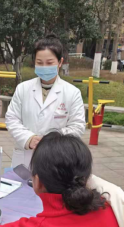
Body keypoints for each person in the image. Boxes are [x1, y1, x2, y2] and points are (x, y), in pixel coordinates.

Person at [6, 35, 86, 168]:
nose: (44, 67)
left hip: (57, 157)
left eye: (49, 63)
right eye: (39, 62)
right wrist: (28, 139)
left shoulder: (72, 93)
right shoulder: (23, 89)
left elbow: (77, 126)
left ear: (60, 62)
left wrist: (51, 141)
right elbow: (12, 119)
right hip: (25, 157)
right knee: (23, 181)